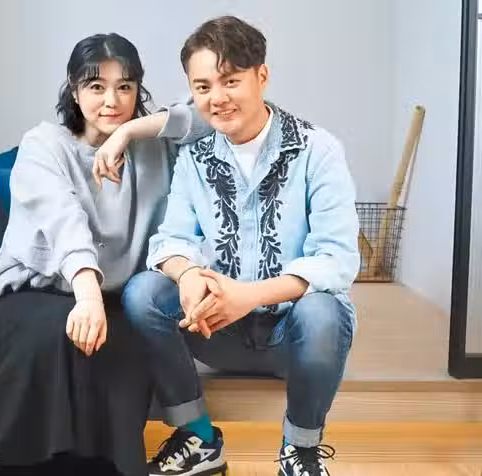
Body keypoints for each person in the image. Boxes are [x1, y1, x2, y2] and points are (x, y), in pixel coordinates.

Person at [0, 32, 209, 476]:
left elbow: (213, 114)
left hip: (112, 304)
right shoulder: (44, 144)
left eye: (125, 86)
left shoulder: (154, 146)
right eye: (96, 86)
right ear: (75, 90)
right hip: (31, 297)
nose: (112, 100)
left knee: (124, 358)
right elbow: (63, 221)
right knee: (59, 335)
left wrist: (130, 131)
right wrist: (88, 295)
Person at [120, 16, 360, 476]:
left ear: (261, 76)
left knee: (324, 311)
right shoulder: (195, 156)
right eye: (203, 86)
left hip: (294, 337)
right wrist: (188, 274)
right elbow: (171, 239)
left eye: (231, 81)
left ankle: (299, 451)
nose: (217, 97)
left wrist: (248, 296)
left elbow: (337, 259)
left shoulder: (318, 149)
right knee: (143, 292)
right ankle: (198, 437)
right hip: (215, 332)